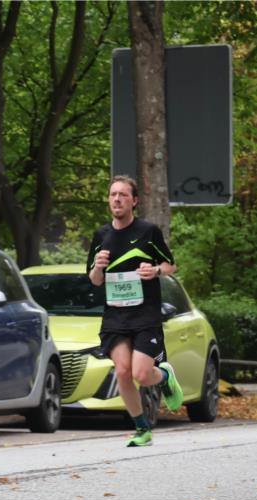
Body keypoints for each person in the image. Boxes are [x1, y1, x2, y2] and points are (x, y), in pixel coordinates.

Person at [87, 176, 185, 447]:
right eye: (112, 195)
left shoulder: (148, 231)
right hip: (116, 315)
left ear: (134, 201)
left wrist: (154, 270)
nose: (116, 199)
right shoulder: (101, 235)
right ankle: (142, 428)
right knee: (122, 372)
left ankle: (165, 376)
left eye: (122, 195)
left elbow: (170, 265)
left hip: (145, 314)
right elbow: (95, 280)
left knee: (142, 374)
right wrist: (97, 266)